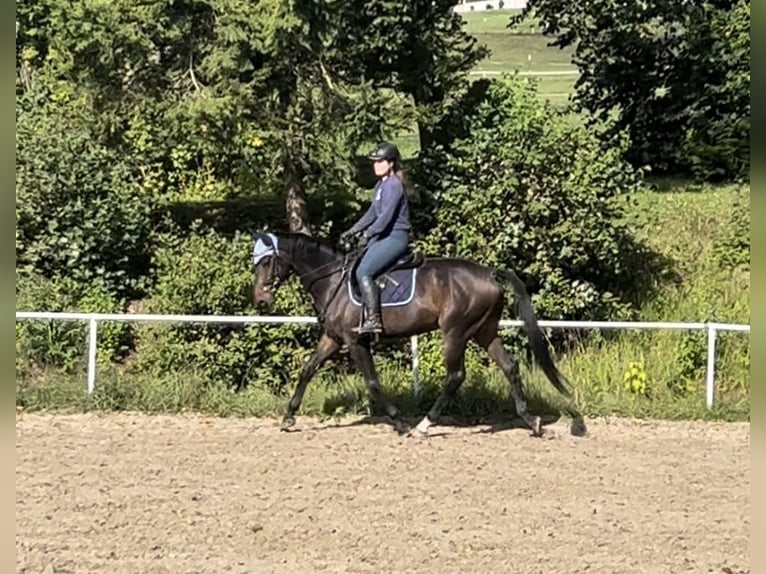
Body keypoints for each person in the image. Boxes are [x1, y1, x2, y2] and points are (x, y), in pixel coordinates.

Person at [340, 141, 412, 334]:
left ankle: (374, 320)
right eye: (374, 162)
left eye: (380, 161)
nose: (376, 165)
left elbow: (386, 217)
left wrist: (368, 234)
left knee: (363, 272)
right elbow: (372, 214)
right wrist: (352, 230)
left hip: (396, 237)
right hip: (383, 236)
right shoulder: (381, 186)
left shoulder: (394, 186)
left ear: (390, 163)